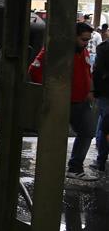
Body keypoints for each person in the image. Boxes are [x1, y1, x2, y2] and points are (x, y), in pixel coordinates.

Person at [28, 22, 98, 180]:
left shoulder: (83, 51)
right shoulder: (54, 51)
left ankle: (75, 168)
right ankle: (50, 170)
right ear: (73, 36)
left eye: (88, 40)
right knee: (55, 136)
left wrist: (90, 90)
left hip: (80, 101)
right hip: (61, 102)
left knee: (87, 132)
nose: (85, 43)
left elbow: (88, 72)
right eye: (83, 39)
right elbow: (34, 71)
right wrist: (51, 92)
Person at [93, 32, 109, 172]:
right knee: (104, 125)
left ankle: (101, 160)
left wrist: (95, 92)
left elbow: (98, 72)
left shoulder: (103, 48)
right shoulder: (103, 48)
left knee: (104, 126)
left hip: (105, 93)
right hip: (105, 93)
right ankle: (101, 160)